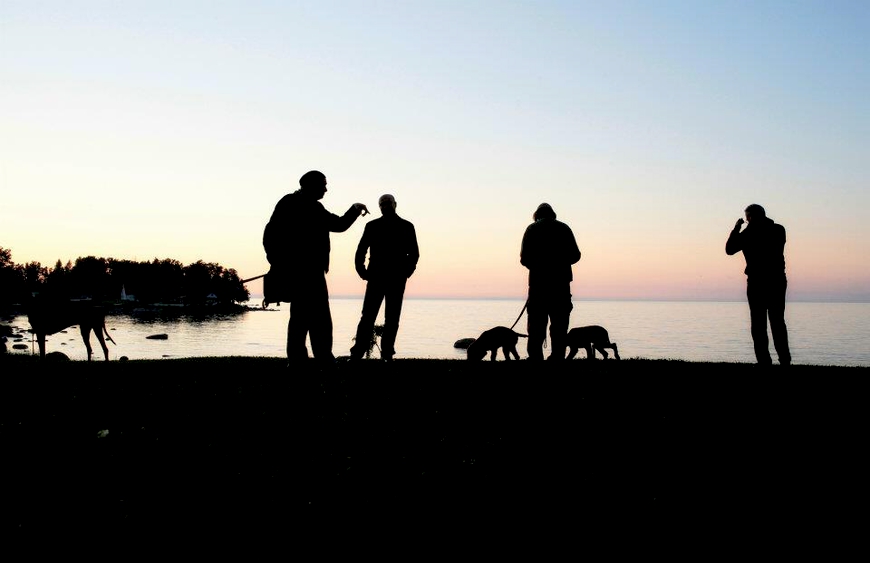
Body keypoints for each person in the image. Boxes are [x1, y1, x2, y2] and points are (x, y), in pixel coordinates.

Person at [263, 170, 369, 366]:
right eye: (323, 185)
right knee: (317, 317)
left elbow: (338, 224)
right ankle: (321, 358)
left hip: (306, 271)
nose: (326, 189)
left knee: (301, 317)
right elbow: (337, 224)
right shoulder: (300, 205)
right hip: (306, 273)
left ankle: (298, 359)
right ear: (310, 185)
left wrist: (277, 263)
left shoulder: (305, 205)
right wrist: (278, 263)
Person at [349, 194, 419, 361]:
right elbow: (361, 249)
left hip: (397, 278)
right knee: (367, 317)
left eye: (388, 203)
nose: (385, 206)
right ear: (379, 207)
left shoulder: (407, 226)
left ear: (395, 204)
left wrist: (406, 272)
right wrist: (361, 270)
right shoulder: (372, 225)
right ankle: (357, 353)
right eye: (382, 204)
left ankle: (387, 353)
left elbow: (414, 253)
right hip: (376, 277)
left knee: (392, 318)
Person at [726, 204, 791, 366]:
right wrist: (740, 230)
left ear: (752, 217)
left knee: (764, 323)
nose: (747, 220)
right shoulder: (777, 229)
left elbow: (730, 248)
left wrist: (736, 229)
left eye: (748, 217)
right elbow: (730, 250)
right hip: (771, 280)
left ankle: (772, 360)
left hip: (764, 281)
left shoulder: (754, 233)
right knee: (770, 322)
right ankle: (775, 360)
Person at [520, 203, 581, 361]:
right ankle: (558, 357)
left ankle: (535, 358)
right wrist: (560, 263)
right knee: (559, 325)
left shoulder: (531, 229)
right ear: (553, 214)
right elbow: (576, 255)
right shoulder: (564, 228)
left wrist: (537, 265)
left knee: (536, 325)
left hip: (538, 285)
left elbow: (524, 258)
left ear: (536, 215)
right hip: (560, 286)